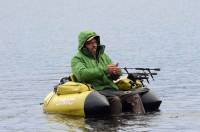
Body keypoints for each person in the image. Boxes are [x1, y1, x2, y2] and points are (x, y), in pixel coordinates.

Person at [71, 30, 145, 115]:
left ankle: (140, 123)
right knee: (115, 100)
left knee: (134, 96)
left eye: (95, 42)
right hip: (95, 92)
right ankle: (115, 125)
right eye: (90, 43)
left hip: (111, 89)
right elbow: (82, 75)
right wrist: (105, 70)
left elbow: (114, 76)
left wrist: (116, 72)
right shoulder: (77, 59)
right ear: (83, 45)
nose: (94, 45)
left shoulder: (103, 56)